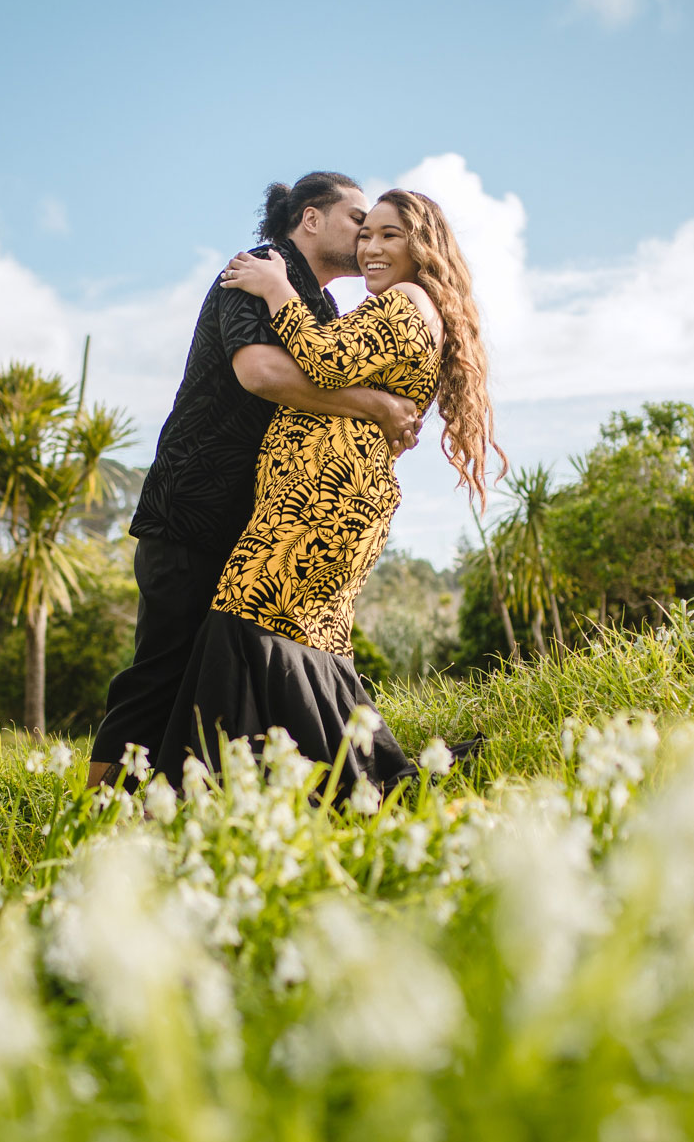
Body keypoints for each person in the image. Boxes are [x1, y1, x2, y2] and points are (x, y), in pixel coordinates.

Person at [86, 173, 424, 787]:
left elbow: (326, 372)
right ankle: (95, 814)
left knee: (215, 673)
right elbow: (260, 371)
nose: (367, 234)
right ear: (312, 219)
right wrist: (374, 405)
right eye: (357, 219)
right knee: (160, 668)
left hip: (258, 518)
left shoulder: (319, 306)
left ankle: (188, 803)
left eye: (380, 228)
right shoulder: (256, 270)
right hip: (193, 504)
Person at [161, 189, 501, 792]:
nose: (370, 247)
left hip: (323, 496)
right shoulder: (405, 304)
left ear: (422, 245)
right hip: (324, 493)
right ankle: (345, 781)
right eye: (365, 234)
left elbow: (326, 361)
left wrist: (276, 290)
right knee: (300, 635)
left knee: (250, 618)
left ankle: (233, 787)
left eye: (389, 235)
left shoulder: (406, 301)